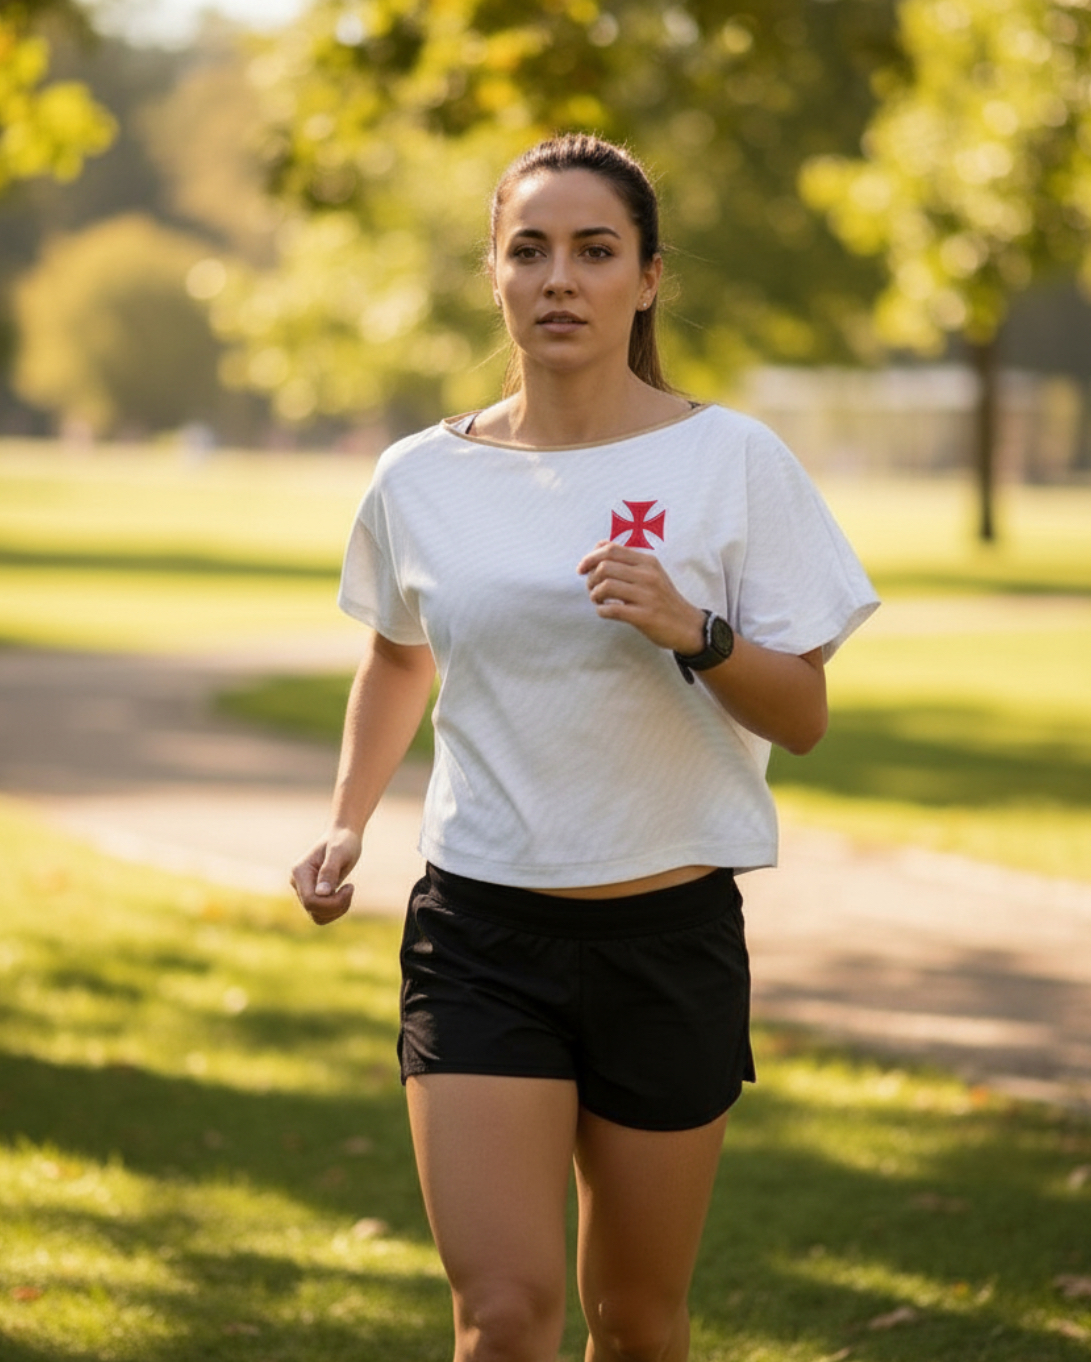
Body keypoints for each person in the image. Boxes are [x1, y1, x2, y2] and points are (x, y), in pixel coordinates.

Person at [292, 132, 879, 1362]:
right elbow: (401, 653)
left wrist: (694, 629)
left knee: (637, 1322)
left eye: (595, 251)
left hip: (667, 942)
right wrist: (347, 819)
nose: (561, 277)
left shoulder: (733, 462)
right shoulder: (420, 478)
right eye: (531, 250)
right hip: (480, 938)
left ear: (648, 278)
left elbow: (805, 716)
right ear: (495, 275)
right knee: (503, 1316)